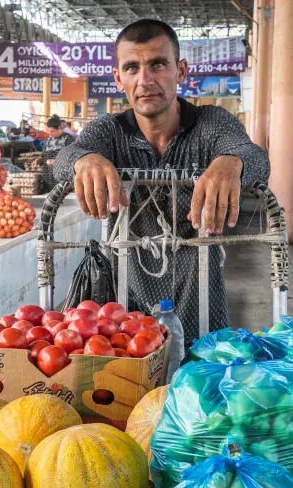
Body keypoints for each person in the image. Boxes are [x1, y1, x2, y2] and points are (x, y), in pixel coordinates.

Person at [54, 18, 269, 342]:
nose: (145, 79)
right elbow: (62, 160)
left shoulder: (211, 123)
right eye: (131, 68)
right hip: (124, 302)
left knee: (203, 383)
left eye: (157, 64)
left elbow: (253, 156)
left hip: (201, 297)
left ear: (180, 71)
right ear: (118, 78)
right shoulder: (109, 130)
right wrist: (84, 160)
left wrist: (231, 162)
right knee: (128, 383)